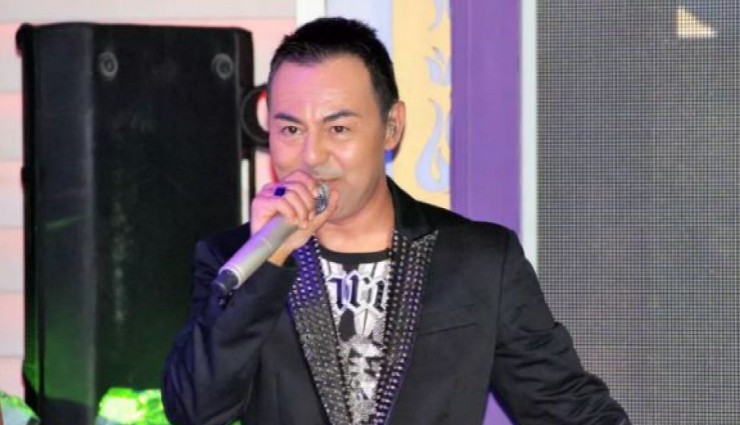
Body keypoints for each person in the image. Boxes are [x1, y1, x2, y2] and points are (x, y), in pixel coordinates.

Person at [161, 17, 630, 425]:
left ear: (392, 127)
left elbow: (570, 410)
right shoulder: (234, 259)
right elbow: (195, 410)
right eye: (290, 129)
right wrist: (268, 264)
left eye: (338, 128)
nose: (311, 155)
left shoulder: (478, 259)